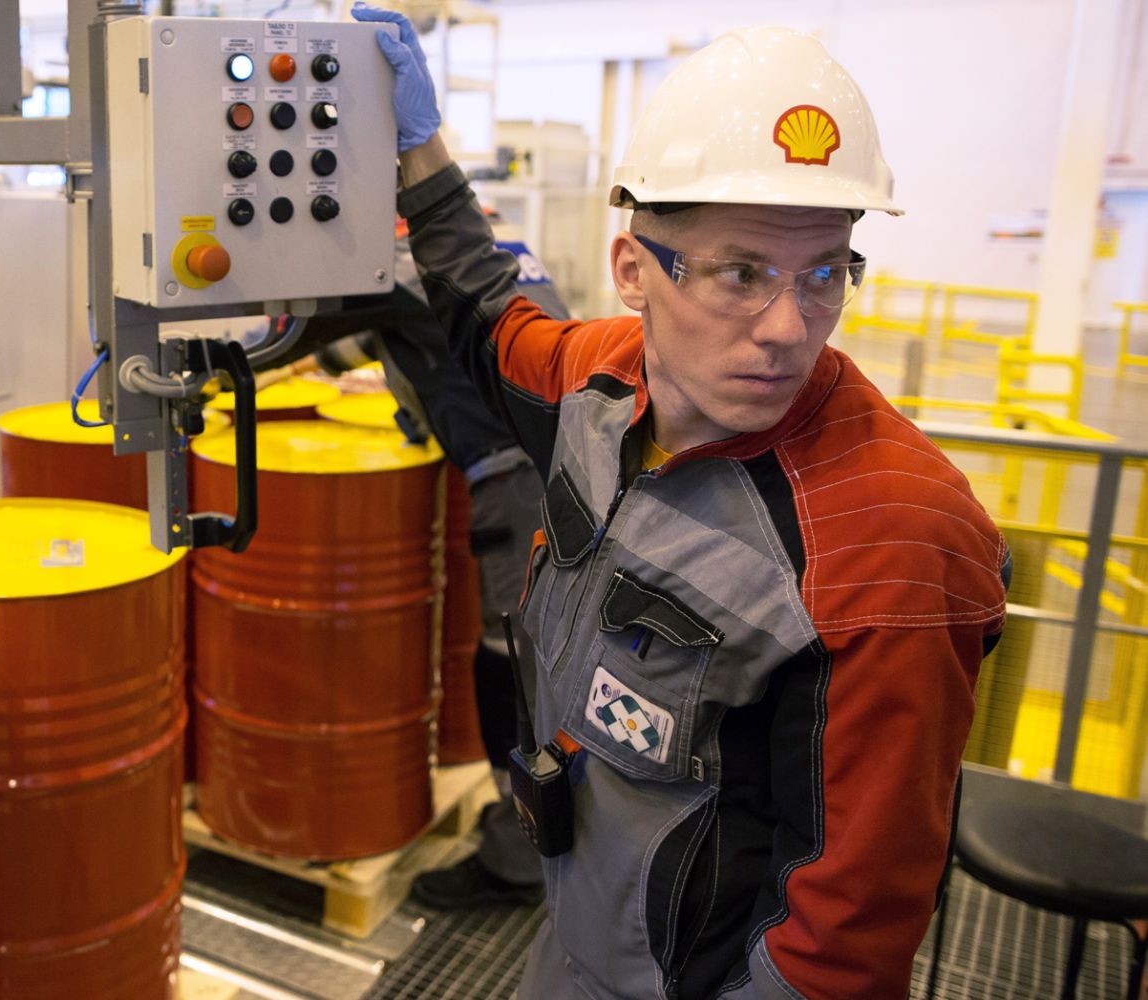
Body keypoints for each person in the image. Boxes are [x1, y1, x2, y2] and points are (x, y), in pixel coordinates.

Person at [352, 5, 1012, 998]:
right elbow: (487, 313)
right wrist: (419, 145)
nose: (788, 327)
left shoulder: (891, 542)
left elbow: (840, 940)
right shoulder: (595, 383)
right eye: (740, 274)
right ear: (632, 272)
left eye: (823, 273)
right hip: (573, 926)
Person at [257, 228, 566, 910]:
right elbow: (381, 333)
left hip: (520, 484)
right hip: (569, 465)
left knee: (513, 671)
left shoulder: (387, 265)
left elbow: (279, 340)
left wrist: (208, 363)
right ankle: (536, 825)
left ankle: (519, 861)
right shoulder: (479, 241)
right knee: (535, 663)